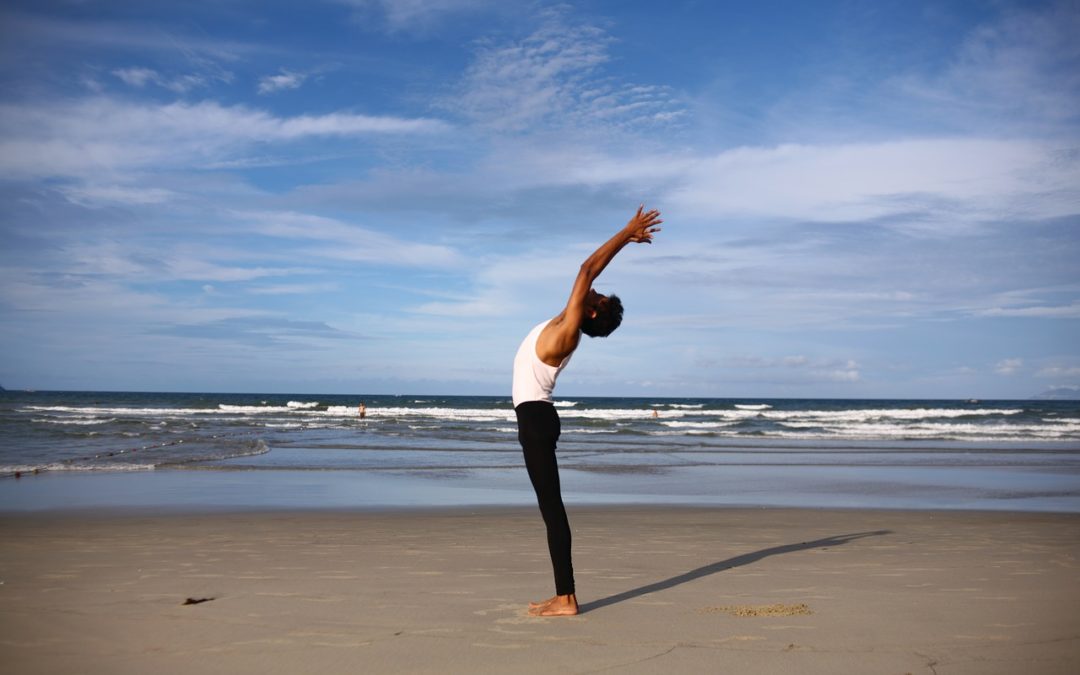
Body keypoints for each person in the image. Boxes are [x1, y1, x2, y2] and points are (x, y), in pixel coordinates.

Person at [512, 205, 663, 617]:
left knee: (552, 509)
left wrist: (626, 234)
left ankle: (567, 598)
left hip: (536, 420)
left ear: (591, 311)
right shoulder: (565, 320)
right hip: (537, 419)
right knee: (550, 508)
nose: (592, 289)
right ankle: (562, 594)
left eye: (595, 296)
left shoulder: (568, 329)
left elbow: (586, 269)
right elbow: (585, 276)